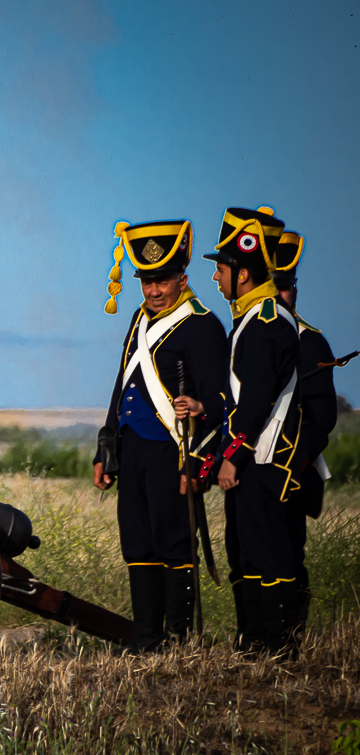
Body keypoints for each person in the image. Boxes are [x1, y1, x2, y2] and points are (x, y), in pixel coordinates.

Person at [93, 219, 228, 652]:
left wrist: (196, 463)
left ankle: (178, 637)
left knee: (174, 542)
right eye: (146, 281)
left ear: (182, 279)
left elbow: (217, 400)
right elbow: (122, 383)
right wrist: (106, 446)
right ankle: (147, 637)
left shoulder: (202, 325)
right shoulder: (138, 320)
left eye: (162, 281)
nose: (153, 290)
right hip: (133, 450)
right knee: (138, 541)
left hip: (173, 451)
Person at [198, 206, 303, 656]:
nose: (217, 277)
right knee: (245, 550)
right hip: (254, 458)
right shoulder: (251, 318)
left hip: (263, 459)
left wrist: (231, 456)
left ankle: (274, 643)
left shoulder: (265, 324)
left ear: (242, 273)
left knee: (265, 553)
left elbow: (256, 403)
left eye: (221, 269)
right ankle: (254, 638)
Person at [272, 231, 337, 632]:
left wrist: (295, 464)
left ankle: (291, 635)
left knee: (288, 555)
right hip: (254, 465)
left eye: (286, 288)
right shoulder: (248, 336)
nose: (281, 296)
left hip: (291, 467)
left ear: (295, 290)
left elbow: (322, 416)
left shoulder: (310, 341)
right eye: (273, 287)